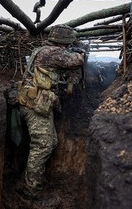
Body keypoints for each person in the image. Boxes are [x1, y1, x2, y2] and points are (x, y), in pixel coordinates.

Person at [16, 24, 85, 205]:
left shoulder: (43, 50)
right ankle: (29, 190)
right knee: (43, 144)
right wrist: (81, 53)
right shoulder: (51, 52)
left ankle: (32, 177)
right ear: (64, 40)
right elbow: (76, 61)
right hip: (35, 105)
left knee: (51, 142)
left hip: (37, 103)